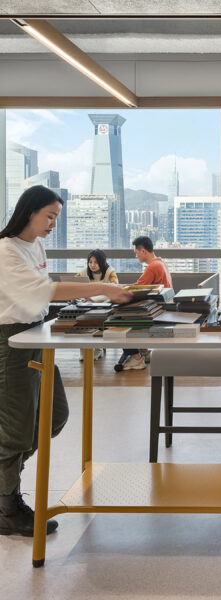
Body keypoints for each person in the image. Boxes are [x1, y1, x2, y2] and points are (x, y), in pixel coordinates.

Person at [0, 185, 132, 537]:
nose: (53, 224)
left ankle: (4, 487)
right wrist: (103, 288)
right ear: (30, 211)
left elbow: (45, 291)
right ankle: (6, 505)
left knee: (53, 417)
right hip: (10, 343)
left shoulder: (35, 246)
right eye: (50, 216)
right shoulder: (6, 250)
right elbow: (43, 290)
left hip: (35, 335)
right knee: (16, 430)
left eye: (57, 217)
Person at [115, 236, 172, 372]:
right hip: (161, 307)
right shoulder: (160, 262)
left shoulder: (153, 267)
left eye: (136, 253)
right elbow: (141, 287)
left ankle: (136, 358)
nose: (136, 256)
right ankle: (144, 351)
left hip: (156, 311)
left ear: (143, 251)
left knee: (118, 319)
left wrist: (118, 288)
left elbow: (137, 288)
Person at [76, 249, 119, 361]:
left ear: (102, 262)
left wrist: (93, 298)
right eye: (90, 262)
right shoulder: (84, 272)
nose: (92, 265)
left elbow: (114, 288)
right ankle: (84, 350)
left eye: (96, 262)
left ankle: (97, 349)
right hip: (87, 303)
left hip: (104, 303)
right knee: (81, 320)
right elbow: (74, 285)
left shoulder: (110, 272)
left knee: (95, 319)